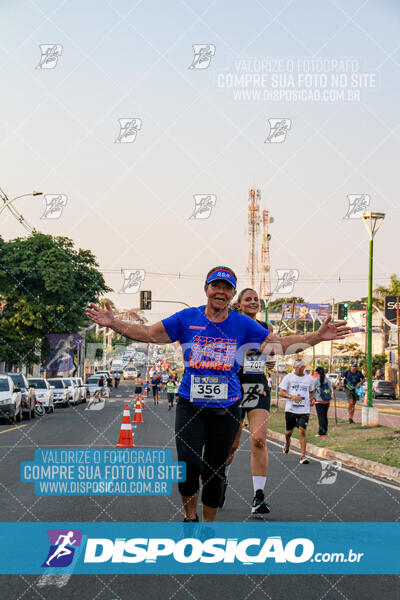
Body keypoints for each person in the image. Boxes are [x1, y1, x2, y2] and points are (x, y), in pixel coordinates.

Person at [86, 265, 350, 522]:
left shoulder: (243, 325)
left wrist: (316, 336)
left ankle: (208, 529)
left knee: (214, 473)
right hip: (191, 405)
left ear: (232, 294)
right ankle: (190, 518)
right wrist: (113, 324)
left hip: (226, 408)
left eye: (227, 287)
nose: (220, 292)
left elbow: (277, 346)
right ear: (206, 289)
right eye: (216, 286)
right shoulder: (186, 318)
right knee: (188, 467)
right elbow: (148, 333)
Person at [221, 288, 272, 515]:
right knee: (231, 445)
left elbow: (269, 355)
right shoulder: (230, 325)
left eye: (256, 300)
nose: (253, 302)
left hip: (256, 387)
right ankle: (221, 480)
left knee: (259, 440)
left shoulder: (266, 328)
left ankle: (258, 496)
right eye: (248, 299)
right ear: (239, 304)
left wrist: (268, 362)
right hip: (233, 387)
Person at [279, 359, 316, 464]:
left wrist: (312, 400)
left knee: (302, 430)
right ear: (294, 367)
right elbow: (281, 392)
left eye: (302, 366)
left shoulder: (309, 380)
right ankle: (287, 443)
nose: (300, 368)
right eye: (298, 366)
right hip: (291, 409)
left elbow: (312, 392)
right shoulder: (288, 377)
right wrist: (291, 397)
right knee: (288, 432)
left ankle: (303, 456)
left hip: (304, 410)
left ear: (305, 368)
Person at [314, 366, 333, 437]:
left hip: (319, 401)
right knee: (325, 416)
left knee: (320, 417)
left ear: (317, 372)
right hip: (327, 401)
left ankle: (321, 433)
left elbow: (311, 390)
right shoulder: (327, 380)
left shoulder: (315, 380)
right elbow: (331, 390)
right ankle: (325, 431)